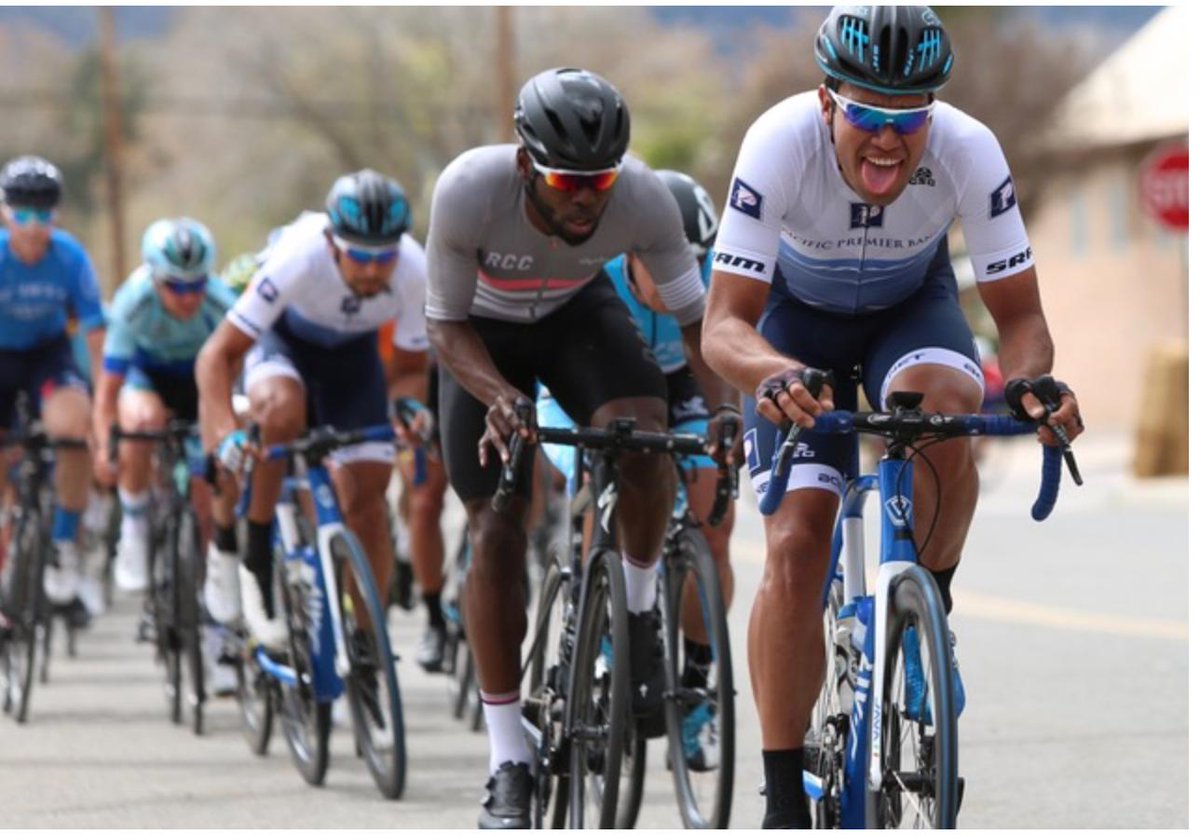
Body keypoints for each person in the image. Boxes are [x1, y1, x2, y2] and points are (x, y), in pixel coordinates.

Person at [699, 7, 1086, 828]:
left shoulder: (969, 150)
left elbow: (1019, 317)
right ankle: (778, 801)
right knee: (799, 543)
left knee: (947, 410)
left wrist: (1028, 384)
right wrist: (774, 374)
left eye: (908, 118)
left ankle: (925, 613)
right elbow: (724, 324)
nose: (888, 140)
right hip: (791, 324)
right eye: (868, 114)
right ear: (828, 100)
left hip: (912, 310)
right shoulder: (778, 144)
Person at [424, 67, 739, 828]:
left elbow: (700, 325)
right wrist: (501, 395)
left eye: (598, 181)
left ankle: (635, 614)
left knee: (644, 434)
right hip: (481, 336)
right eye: (567, 180)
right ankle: (508, 754)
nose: (585, 198)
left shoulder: (640, 198)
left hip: (574, 316)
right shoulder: (469, 188)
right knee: (497, 526)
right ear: (527, 162)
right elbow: (442, 324)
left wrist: (727, 411)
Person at [536, 168, 735, 771]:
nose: (685, 276)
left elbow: (725, 368)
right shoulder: (593, 277)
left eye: (697, 261)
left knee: (713, 518)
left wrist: (730, 426)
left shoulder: (708, 278)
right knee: (603, 479)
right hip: (595, 382)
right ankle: (591, 638)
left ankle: (697, 683)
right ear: (631, 255)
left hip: (679, 387)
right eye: (670, 262)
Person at [196, 171, 429, 656]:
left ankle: (367, 643)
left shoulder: (413, 268)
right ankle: (257, 540)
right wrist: (224, 435)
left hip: (353, 361)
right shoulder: (298, 256)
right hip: (284, 347)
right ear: (331, 243)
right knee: (281, 413)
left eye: (382, 257)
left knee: (369, 501)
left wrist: (407, 404)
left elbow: (409, 368)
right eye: (359, 257)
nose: (371, 270)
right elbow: (217, 356)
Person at [92, 218, 241, 687]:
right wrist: (103, 447)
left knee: (206, 496)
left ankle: (218, 630)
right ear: (154, 278)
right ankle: (134, 524)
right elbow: (107, 391)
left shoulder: (223, 303)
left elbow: (235, 385)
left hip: (201, 382)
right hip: (147, 380)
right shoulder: (132, 304)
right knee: (139, 424)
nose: (188, 297)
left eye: (196, 285)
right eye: (175, 287)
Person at [0, 156, 106, 616]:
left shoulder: (69, 257)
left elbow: (97, 335)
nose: (32, 227)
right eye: (22, 215)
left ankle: (63, 540)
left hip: (48, 356)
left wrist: (105, 408)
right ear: (5, 213)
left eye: (43, 215)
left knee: (73, 425)